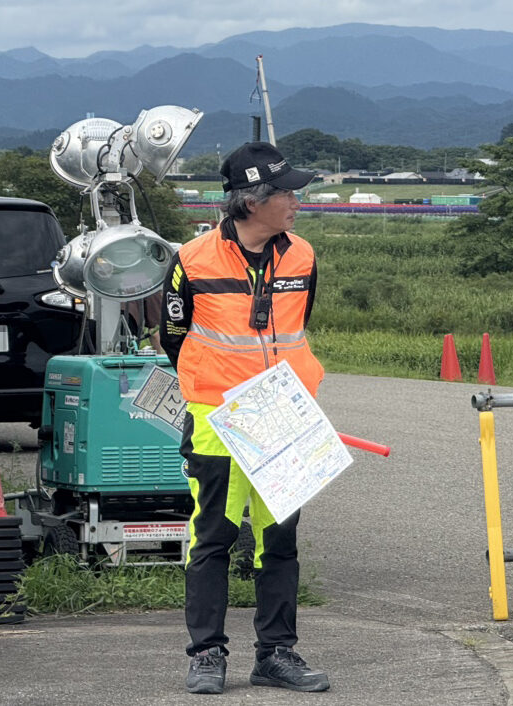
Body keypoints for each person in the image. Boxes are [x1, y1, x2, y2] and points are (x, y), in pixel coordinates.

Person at [160, 142, 326, 695]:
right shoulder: (192, 259)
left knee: (279, 539)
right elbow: (174, 336)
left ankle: (276, 654)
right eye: (286, 192)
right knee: (213, 536)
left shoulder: (302, 255)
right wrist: (220, 383)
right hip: (217, 415)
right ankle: (207, 653)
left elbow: (297, 326)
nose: (296, 201)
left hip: (284, 414)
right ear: (252, 201)